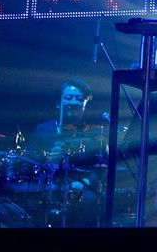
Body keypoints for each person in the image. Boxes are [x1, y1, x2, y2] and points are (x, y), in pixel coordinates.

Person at [28, 78, 104, 227]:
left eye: (79, 99)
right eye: (68, 97)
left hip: (79, 191)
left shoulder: (93, 135)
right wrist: (50, 160)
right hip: (45, 188)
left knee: (89, 201)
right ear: (58, 103)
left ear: (85, 105)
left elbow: (100, 169)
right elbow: (29, 163)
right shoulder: (42, 130)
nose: (73, 102)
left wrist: (85, 183)